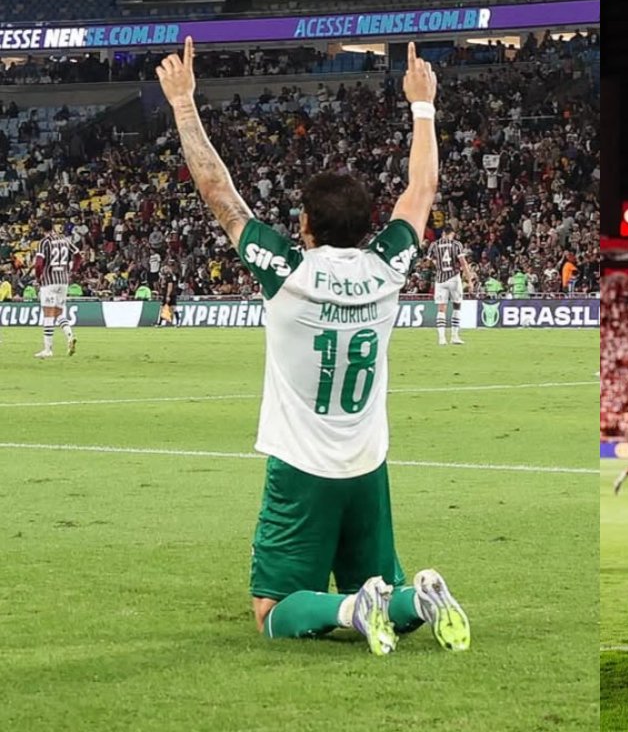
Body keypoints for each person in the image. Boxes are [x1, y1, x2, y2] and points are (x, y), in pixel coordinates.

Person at [157, 37, 469, 656]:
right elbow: (422, 189)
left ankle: (356, 608)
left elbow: (220, 195)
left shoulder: (287, 273)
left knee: (271, 611)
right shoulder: (388, 268)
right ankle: (418, 598)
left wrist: (185, 106)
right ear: (367, 225)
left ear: (305, 226)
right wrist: (424, 108)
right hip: (368, 463)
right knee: (382, 583)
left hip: (302, 468)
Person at [32, 217, 78, 358]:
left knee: (48, 315)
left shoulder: (44, 242)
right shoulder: (64, 239)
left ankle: (48, 349)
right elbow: (78, 255)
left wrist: (38, 277)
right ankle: (70, 336)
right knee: (58, 313)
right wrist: (73, 271)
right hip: (63, 281)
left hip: (49, 281)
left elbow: (39, 264)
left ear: (41, 228)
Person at [428, 228, 475, 345]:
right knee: (457, 305)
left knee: (441, 308)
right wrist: (469, 280)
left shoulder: (434, 245)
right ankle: (454, 336)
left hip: (440, 279)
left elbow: (427, 262)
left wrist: (436, 264)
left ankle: (441, 338)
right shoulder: (456, 244)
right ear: (450, 234)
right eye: (452, 235)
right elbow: (463, 263)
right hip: (454, 278)